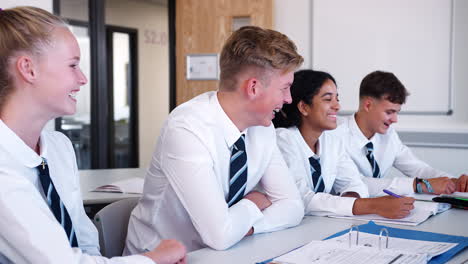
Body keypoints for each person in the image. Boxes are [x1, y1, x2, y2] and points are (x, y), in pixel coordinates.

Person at [0, 6, 186, 264]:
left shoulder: (58, 147)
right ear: (28, 69)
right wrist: (153, 259)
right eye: (73, 65)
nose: (83, 78)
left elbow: (84, 239)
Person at [124, 26, 305, 254]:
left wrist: (245, 226)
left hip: (227, 252)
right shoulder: (187, 128)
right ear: (253, 87)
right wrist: (253, 203)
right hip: (167, 257)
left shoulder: (263, 129)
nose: (288, 99)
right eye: (285, 88)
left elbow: (293, 206)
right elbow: (219, 235)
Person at [273, 69, 415, 218]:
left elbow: (354, 183)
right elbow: (302, 198)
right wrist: (372, 205)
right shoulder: (283, 140)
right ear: (304, 107)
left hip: (320, 225)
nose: (337, 106)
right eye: (328, 99)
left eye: (337, 99)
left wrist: (349, 203)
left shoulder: (331, 139)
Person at [338, 70, 468, 196]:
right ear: (368, 106)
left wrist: (452, 181)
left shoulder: (388, 135)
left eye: (396, 112)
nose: (395, 120)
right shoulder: (337, 135)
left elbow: (417, 168)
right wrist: (418, 185)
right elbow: (356, 184)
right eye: (389, 112)